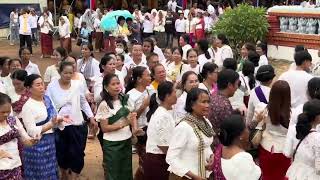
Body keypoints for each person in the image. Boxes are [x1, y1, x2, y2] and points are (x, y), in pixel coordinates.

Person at [46, 61, 96, 180]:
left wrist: (91, 117)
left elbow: (83, 102)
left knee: (77, 153)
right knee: (61, 152)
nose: (68, 75)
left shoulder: (77, 85)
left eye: (70, 73)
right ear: (59, 72)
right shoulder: (52, 86)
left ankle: (73, 177)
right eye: (65, 73)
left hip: (76, 123)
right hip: (60, 126)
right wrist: (56, 118)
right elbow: (49, 104)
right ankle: (63, 173)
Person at [20, 74, 67, 179]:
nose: (42, 87)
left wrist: (61, 119)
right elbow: (31, 131)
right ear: (28, 88)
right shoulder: (28, 106)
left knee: (51, 172)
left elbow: (54, 115)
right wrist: (51, 124)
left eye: (42, 84)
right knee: (39, 174)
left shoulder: (47, 99)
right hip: (36, 145)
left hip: (50, 143)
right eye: (38, 85)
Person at [95, 74, 138, 180]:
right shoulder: (104, 105)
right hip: (112, 144)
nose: (116, 86)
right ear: (106, 87)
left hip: (126, 141)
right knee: (113, 173)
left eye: (118, 83)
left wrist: (135, 129)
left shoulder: (126, 99)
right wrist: (123, 124)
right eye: (113, 84)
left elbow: (132, 116)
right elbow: (104, 128)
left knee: (126, 171)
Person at [166, 88, 215, 179]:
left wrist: (211, 156)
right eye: (203, 102)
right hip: (184, 176)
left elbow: (206, 145)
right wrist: (193, 176)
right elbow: (171, 158)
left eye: (208, 102)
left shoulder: (207, 122)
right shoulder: (184, 127)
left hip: (203, 174)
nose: (207, 105)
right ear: (192, 105)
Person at [254, 80, 291, 180]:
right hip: (284, 149)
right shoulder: (292, 114)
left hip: (266, 145)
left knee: (266, 174)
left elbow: (252, 122)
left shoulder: (263, 109)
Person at [0, 92, 39, 180]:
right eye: (2, 112)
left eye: (8, 111)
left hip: (15, 165)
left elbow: (25, 140)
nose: (6, 114)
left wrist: (32, 141)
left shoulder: (13, 120)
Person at [144, 81, 177, 180]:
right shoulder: (163, 116)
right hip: (158, 160)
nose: (176, 95)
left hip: (160, 159)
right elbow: (163, 145)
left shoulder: (165, 112)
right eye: (174, 92)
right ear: (167, 96)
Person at [211, 114, 261, 179]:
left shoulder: (220, 148)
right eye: (246, 128)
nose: (248, 131)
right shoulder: (243, 158)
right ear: (240, 135)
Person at [126, 66, 154, 179]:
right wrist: (143, 106)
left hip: (152, 128)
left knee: (151, 159)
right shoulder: (130, 95)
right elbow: (130, 117)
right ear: (139, 79)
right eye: (147, 75)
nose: (150, 77)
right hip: (141, 131)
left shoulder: (151, 90)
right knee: (144, 160)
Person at [285, 99, 320, 179]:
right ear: (317, 117)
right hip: (311, 176)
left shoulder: (293, 129)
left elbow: (287, 153)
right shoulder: (318, 138)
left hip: (295, 172)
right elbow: (318, 168)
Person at [208, 69, 239, 148]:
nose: (237, 88)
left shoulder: (213, 96)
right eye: (236, 84)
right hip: (220, 145)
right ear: (229, 85)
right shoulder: (224, 105)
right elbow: (232, 131)